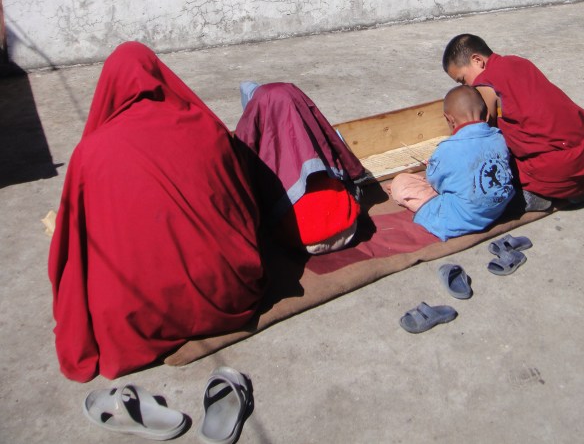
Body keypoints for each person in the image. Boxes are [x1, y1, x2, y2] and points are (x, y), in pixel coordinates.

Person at [48, 42, 266, 382]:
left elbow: (69, 247)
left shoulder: (90, 153)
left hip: (137, 321)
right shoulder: (206, 127)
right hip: (230, 295)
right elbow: (244, 207)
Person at [442, 34, 584, 206]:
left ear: (477, 60)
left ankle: (535, 197)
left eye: (463, 80)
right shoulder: (519, 62)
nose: (466, 87)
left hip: (559, 172)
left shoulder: (485, 83)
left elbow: (479, 135)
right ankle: (577, 190)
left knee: (490, 173)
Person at [234, 82, 364, 255]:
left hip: (303, 239)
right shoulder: (309, 117)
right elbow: (348, 162)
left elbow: (242, 172)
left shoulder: (255, 127)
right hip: (347, 227)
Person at [390, 86, 514, 241]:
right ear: (488, 115)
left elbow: (434, 181)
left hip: (462, 218)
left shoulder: (447, 148)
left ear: (449, 119)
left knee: (401, 182)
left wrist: (433, 167)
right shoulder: (498, 138)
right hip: (498, 208)